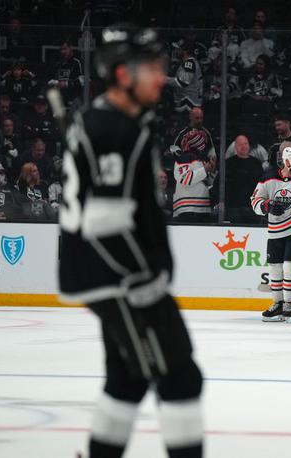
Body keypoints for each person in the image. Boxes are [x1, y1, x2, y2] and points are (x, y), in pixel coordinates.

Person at [58, 26, 204, 458]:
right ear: (124, 73)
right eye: (153, 69)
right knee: (180, 376)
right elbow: (104, 222)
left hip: (106, 276)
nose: (162, 78)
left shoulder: (110, 121)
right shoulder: (114, 129)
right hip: (122, 279)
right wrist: (148, 277)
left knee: (127, 377)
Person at [251, 146, 291, 321]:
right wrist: (266, 206)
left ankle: (288, 305)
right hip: (275, 230)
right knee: (275, 267)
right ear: (286, 161)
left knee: (290, 266)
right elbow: (255, 200)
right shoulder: (268, 178)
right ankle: (277, 303)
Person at [173, 129, 217, 223]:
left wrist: (212, 172)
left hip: (203, 210)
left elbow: (207, 183)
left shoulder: (202, 160)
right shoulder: (183, 158)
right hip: (187, 210)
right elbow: (185, 178)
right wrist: (205, 170)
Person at [223, 135, 265, 223]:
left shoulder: (256, 163)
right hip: (233, 208)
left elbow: (262, 185)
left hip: (253, 208)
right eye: (240, 144)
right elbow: (220, 184)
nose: (243, 146)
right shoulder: (228, 164)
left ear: (249, 145)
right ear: (235, 147)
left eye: (245, 144)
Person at [166, 40, 204, 113]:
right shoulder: (186, 62)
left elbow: (183, 82)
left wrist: (162, 79)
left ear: (185, 51)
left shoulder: (189, 63)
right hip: (187, 103)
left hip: (189, 104)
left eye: (178, 49)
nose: (175, 51)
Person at [47, 40, 83, 107]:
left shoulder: (77, 62)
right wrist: (55, 82)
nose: (63, 52)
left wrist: (66, 84)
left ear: (70, 48)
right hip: (58, 98)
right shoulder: (57, 63)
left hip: (72, 97)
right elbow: (49, 78)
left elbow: (82, 80)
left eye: (65, 49)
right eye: (61, 49)